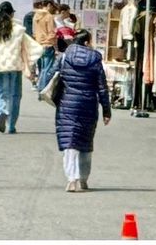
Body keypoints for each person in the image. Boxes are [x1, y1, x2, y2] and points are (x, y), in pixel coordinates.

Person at [56, 30, 112, 192]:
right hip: (88, 104)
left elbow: (52, 76)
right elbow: (102, 88)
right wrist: (106, 111)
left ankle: (71, 179)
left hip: (67, 103)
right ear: (87, 42)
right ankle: (83, 178)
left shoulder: (65, 56)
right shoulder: (95, 59)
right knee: (85, 142)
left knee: (70, 142)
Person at [0, 1, 42, 134]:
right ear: (11, 14)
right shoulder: (17, 29)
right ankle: (11, 125)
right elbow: (23, 50)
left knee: (0, 92)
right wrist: (27, 67)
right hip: (15, 64)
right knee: (15, 95)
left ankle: (1, 111)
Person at [33, 0, 58, 85]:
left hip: (38, 44)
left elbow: (35, 31)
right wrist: (54, 44)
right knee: (47, 69)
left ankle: (39, 86)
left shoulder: (36, 15)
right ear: (49, 5)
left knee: (41, 68)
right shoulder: (49, 16)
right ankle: (43, 88)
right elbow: (52, 32)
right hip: (48, 44)